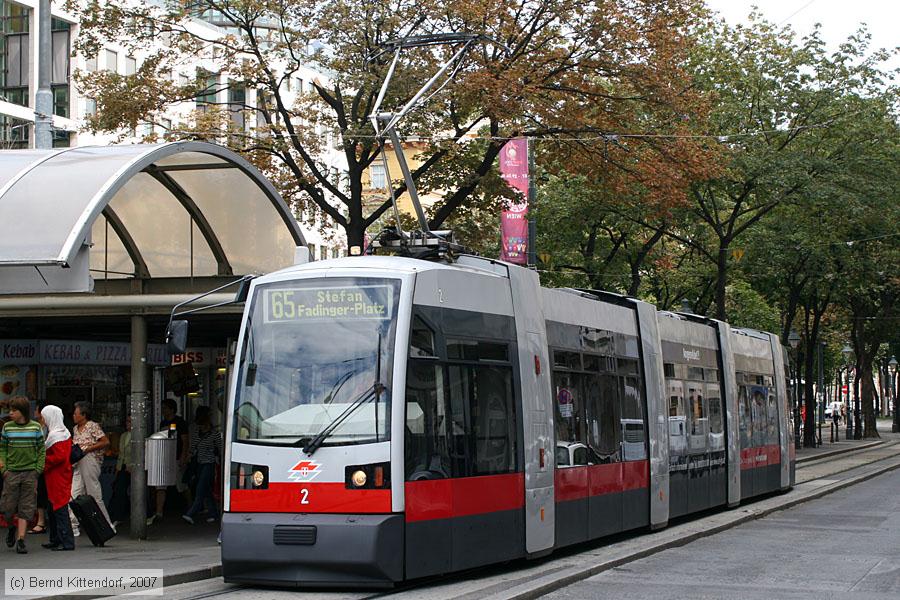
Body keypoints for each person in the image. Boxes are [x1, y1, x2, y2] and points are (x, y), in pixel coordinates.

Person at [0, 396, 45, 554]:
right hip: (11, 472)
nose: (10, 413)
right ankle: (11, 527)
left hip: (30, 472)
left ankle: (21, 540)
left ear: (22, 412)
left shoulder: (35, 427)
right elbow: (2, 448)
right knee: (7, 508)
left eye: (14, 410)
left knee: (26, 507)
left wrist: (38, 469)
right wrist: (4, 469)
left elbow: (41, 449)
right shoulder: (7, 427)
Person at [69, 401, 112, 535]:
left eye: (76, 413)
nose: (73, 416)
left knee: (94, 493)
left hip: (90, 459)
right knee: (74, 493)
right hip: (78, 461)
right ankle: (73, 525)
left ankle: (106, 525)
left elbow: (105, 441)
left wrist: (88, 449)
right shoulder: (75, 429)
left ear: (83, 415)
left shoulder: (92, 426)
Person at [38, 406, 74, 551]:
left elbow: (60, 457)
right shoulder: (64, 433)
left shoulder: (55, 436)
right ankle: (56, 539)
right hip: (59, 475)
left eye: (43, 417)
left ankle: (67, 542)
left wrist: (43, 460)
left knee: (59, 508)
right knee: (54, 508)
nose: (43, 420)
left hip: (57, 476)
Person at [148, 399, 189, 526]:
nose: (163, 410)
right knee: (161, 485)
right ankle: (159, 511)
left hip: (176, 456)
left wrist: (183, 456)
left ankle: (191, 506)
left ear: (172, 409)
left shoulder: (179, 422)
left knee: (181, 484)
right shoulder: (163, 423)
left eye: (165, 408)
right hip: (164, 457)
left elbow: (185, 440)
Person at [182, 406, 222, 524]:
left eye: (202, 424)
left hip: (209, 464)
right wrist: (187, 458)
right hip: (200, 464)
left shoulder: (214, 434)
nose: (201, 427)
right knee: (207, 490)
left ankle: (190, 513)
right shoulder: (197, 434)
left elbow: (220, 449)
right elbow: (192, 448)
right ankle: (214, 514)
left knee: (200, 489)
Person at [108, 415, 132, 527]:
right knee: (118, 490)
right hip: (123, 466)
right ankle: (117, 515)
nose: (128, 424)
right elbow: (121, 454)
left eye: (130, 421)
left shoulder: (140, 436)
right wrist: (118, 469)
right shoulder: (123, 436)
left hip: (133, 467)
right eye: (127, 421)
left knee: (136, 491)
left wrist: (132, 465)